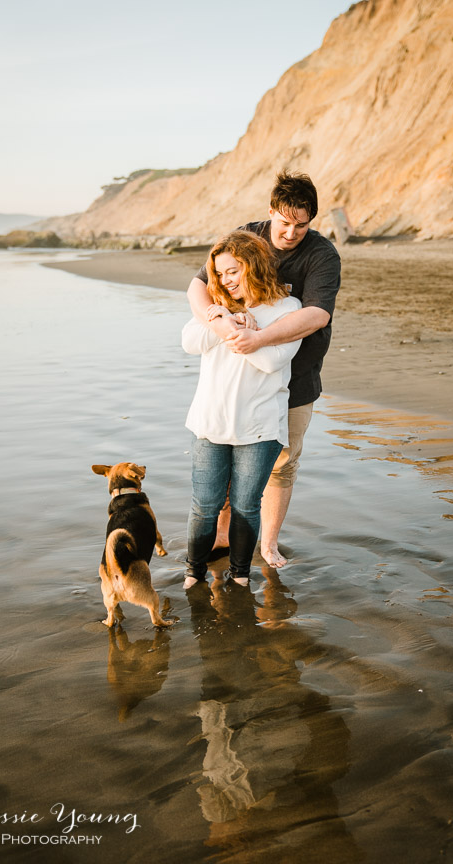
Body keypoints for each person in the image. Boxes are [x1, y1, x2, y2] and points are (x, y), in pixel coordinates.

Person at [187, 171, 341, 567]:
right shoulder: (248, 238)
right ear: (270, 211)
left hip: (297, 375)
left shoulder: (322, 256)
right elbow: (199, 285)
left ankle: (268, 543)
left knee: (282, 463)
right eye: (284, 222)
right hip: (239, 380)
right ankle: (222, 534)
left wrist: (258, 338)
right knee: (227, 453)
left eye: (301, 225)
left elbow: (317, 315)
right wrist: (219, 321)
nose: (291, 233)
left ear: (312, 220)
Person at [182, 231, 302, 588]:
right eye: (219, 274)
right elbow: (189, 342)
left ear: (253, 264)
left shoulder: (287, 308)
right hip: (210, 422)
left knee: (247, 506)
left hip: (259, 427)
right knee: (205, 505)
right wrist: (224, 318)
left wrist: (253, 327)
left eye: (233, 271)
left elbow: (271, 360)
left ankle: (240, 576)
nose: (225, 280)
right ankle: (193, 572)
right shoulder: (215, 305)